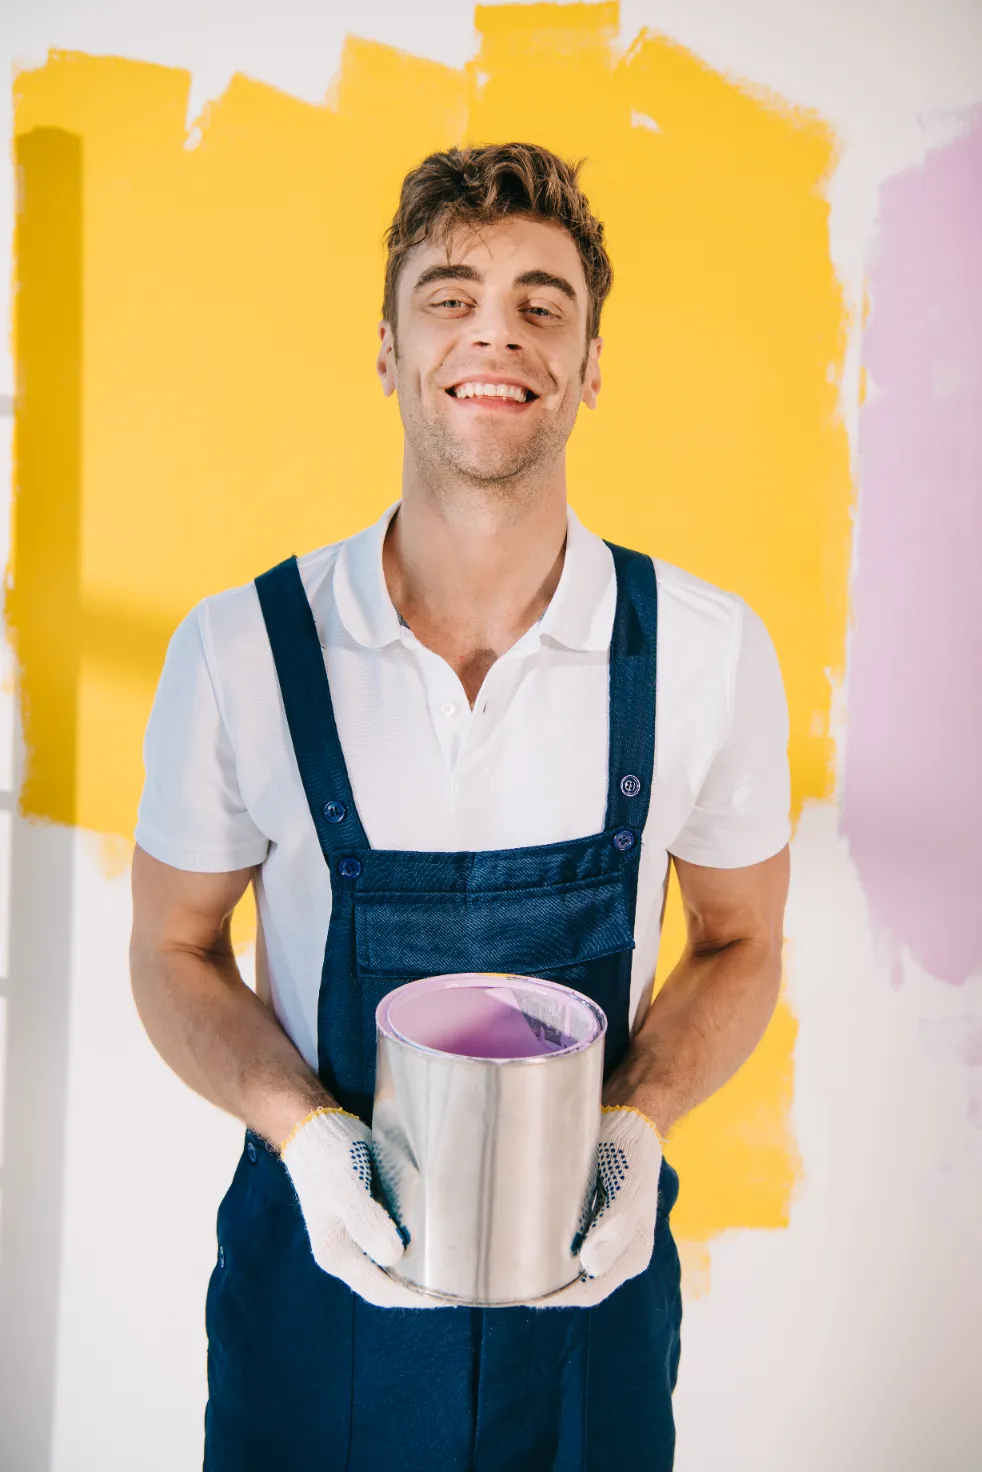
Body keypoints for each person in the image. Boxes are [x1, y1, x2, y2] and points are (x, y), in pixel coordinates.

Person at [129, 142, 791, 1472]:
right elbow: (171, 948)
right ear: (385, 349)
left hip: (581, 1315)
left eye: (543, 304)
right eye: (449, 297)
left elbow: (740, 940)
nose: (496, 332)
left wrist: (636, 1120)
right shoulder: (241, 648)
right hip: (311, 1303)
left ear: (591, 365)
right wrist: (304, 1138)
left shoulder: (706, 652)